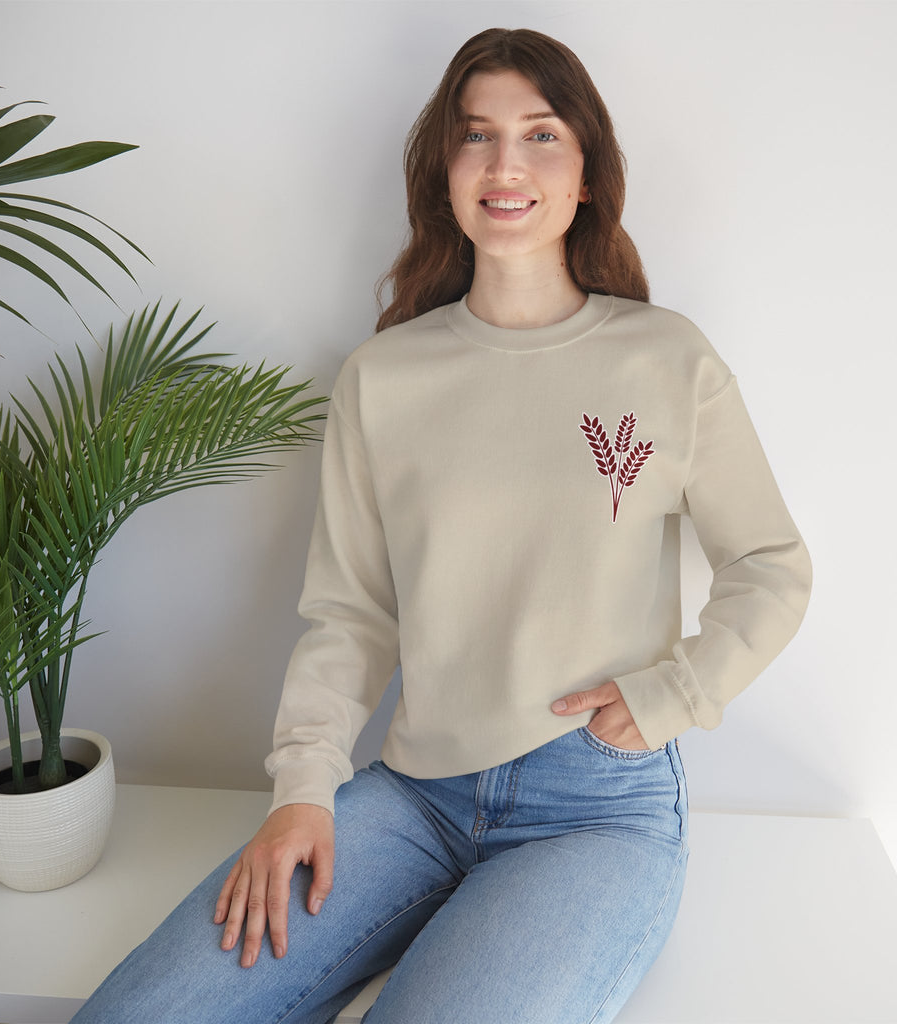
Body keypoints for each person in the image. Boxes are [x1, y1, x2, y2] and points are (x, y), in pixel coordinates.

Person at [72, 27, 811, 1024]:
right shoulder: (384, 377)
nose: (506, 164)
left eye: (540, 135)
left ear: (586, 172)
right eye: (476, 136)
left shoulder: (666, 361)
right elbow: (351, 614)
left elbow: (770, 565)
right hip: (414, 794)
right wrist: (302, 788)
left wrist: (677, 688)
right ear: (445, 171)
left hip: (595, 808)